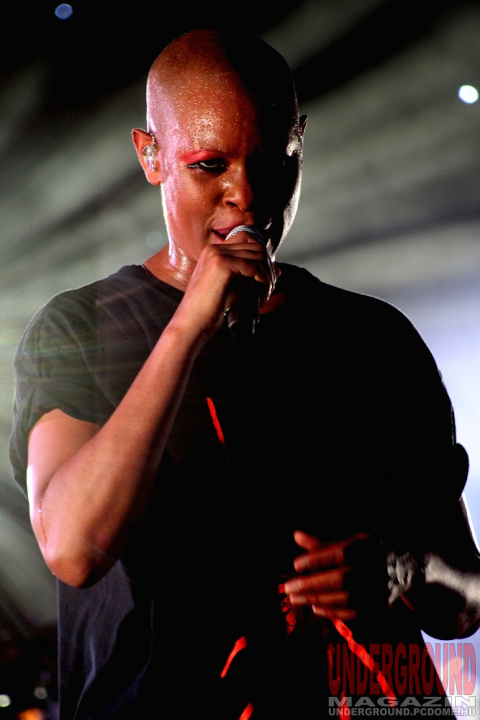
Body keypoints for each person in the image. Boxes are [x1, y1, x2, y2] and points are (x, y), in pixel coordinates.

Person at [9, 27, 480, 720]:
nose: (247, 195)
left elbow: (466, 601)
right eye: (210, 165)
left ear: (300, 143)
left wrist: (402, 569)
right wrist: (189, 326)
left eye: (273, 162)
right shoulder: (81, 328)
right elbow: (73, 549)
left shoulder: (375, 337)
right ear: (151, 156)